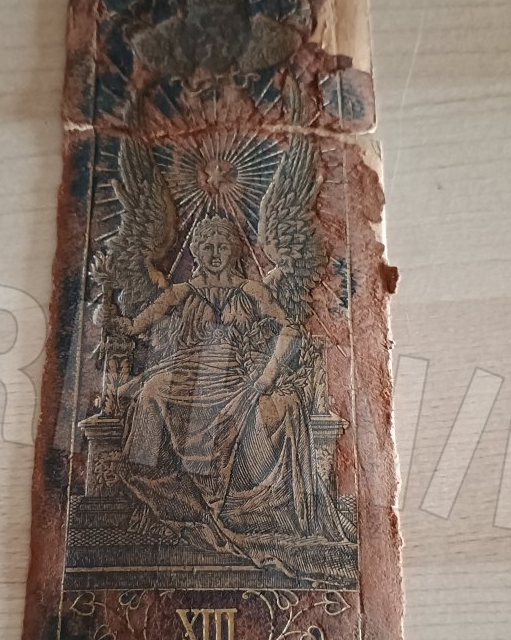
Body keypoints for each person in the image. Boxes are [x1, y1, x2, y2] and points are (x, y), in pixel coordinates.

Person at [110, 215, 353, 581]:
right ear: (196, 251)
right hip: (185, 372)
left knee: (249, 412)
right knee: (151, 390)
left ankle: (222, 504)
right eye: (207, 247)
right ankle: (155, 489)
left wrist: (267, 376)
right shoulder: (182, 292)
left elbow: (290, 329)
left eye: (222, 246)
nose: (215, 254)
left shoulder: (251, 291)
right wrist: (114, 318)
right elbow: (135, 325)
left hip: (230, 378)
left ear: (234, 250)